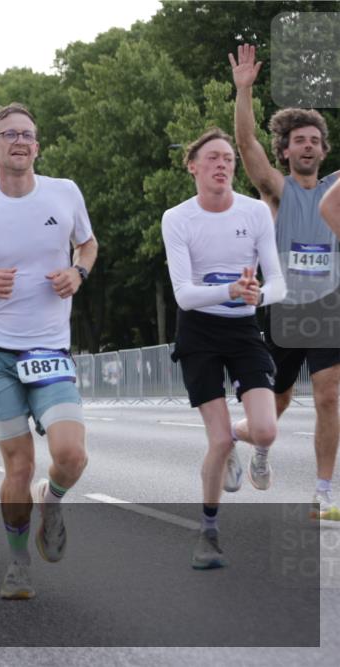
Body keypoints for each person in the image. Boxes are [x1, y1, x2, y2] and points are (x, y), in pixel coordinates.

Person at [0, 103, 98, 599]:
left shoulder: (64, 192)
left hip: (50, 349)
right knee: (19, 468)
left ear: (37, 144)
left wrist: (78, 272)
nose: (21, 142)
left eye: (28, 134)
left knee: (70, 455)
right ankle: (17, 562)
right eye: (9, 135)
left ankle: (54, 499)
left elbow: (87, 246)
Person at [162, 127, 286, 568]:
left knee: (267, 431)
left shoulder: (255, 213)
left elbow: (277, 281)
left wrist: (258, 296)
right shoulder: (177, 218)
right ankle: (209, 535)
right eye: (213, 158)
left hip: (242, 331)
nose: (222, 164)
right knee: (215, 441)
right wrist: (233, 289)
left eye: (229, 159)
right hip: (198, 333)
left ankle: (241, 436)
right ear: (193, 166)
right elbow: (184, 295)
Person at [231, 44, 340, 520]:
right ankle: (249, 442)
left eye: (315, 138)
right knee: (271, 409)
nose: (308, 145)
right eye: (300, 139)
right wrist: (244, 90)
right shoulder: (277, 190)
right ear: (286, 149)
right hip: (281, 307)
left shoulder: (337, 188)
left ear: (324, 147)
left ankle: (324, 491)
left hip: (328, 306)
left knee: (330, 394)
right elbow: (247, 146)